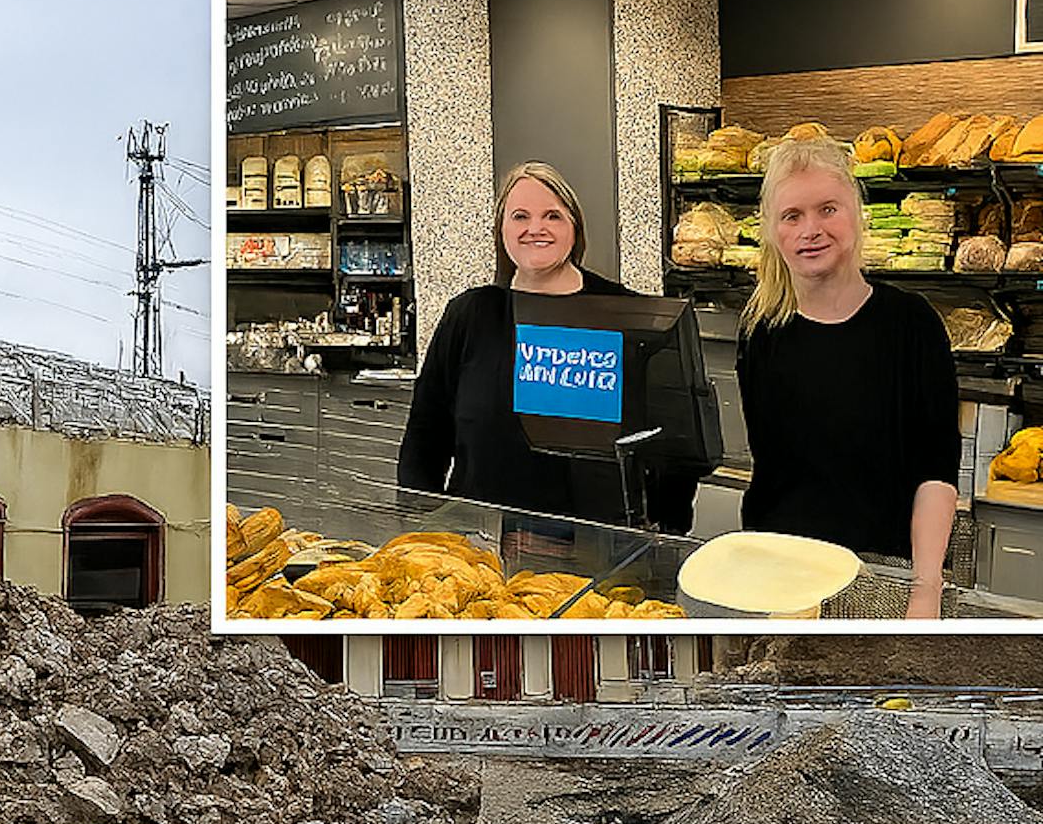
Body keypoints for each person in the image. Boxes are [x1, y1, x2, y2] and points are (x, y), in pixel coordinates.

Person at [397, 161, 695, 531]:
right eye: (520, 216)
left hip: (596, 553)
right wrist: (421, 528)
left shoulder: (626, 316)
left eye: (552, 216)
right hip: (483, 547)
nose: (535, 229)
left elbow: (672, 448)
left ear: (575, 227)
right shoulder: (471, 315)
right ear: (501, 230)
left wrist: (662, 538)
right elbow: (425, 436)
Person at [736, 135, 960, 620]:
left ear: (857, 215)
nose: (810, 229)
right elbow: (774, 472)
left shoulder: (912, 325)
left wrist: (925, 590)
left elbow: (936, 470)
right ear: (772, 232)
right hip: (783, 576)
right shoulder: (760, 331)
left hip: (884, 576)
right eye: (792, 216)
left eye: (827, 210)